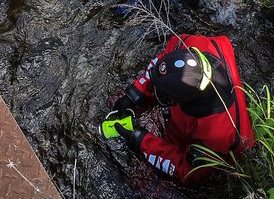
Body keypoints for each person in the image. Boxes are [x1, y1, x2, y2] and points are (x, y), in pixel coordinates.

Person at [109, 33, 254, 186]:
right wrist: (134, 94)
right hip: (189, 110)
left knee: (141, 183)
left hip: (211, 146)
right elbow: (163, 62)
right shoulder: (190, 44)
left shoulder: (217, 133)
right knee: (115, 98)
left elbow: (188, 173)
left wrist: (141, 140)